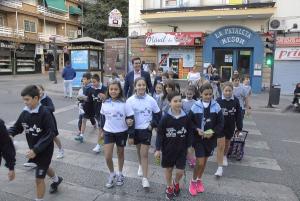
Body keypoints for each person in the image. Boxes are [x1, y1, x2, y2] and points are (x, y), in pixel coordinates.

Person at [8, 85, 63, 201]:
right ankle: (57, 179)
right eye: (23, 99)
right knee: (44, 166)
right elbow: (17, 127)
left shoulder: (45, 113)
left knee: (39, 178)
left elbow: (51, 133)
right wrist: (9, 134)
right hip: (34, 149)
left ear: (36, 98)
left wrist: (35, 150)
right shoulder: (25, 113)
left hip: (45, 149)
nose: (25, 102)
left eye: (27, 99)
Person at [155, 91, 192, 200]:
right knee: (168, 170)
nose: (178, 103)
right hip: (168, 150)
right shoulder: (166, 118)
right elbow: (160, 134)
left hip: (181, 150)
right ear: (169, 102)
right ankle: (169, 186)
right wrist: (158, 149)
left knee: (180, 172)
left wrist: (189, 146)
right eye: (175, 101)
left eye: (180, 101)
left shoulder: (186, 117)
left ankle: (176, 182)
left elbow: (189, 132)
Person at [189, 83, 223, 196]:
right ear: (200, 94)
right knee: (200, 162)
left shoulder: (216, 106)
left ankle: (199, 180)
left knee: (204, 163)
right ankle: (193, 182)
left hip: (210, 139)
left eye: (210, 94)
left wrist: (213, 132)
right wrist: (197, 129)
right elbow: (190, 122)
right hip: (198, 139)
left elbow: (220, 123)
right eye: (206, 94)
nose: (208, 96)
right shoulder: (195, 106)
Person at [126, 77, 161, 188]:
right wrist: (130, 135)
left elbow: (158, 114)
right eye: (139, 85)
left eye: (143, 85)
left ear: (146, 86)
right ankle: (140, 164)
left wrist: (152, 125)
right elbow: (128, 118)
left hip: (147, 129)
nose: (141, 87)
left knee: (144, 153)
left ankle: (145, 179)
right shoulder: (130, 100)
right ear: (135, 86)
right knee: (138, 149)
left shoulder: (151, 99)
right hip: (135, 130)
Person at [100, 81, 135, 188]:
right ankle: (112, 173)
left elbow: (131, 118)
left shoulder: (125, 103)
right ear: (108, 90)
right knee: (107, 156)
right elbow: (102, 117)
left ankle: (120, 173)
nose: (113, 91)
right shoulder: (105, 102)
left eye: (116, 89)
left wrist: (131, 133)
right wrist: (101, 131)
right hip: (108, 132)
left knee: (120, 153)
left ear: (120, 90)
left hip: (121, 132)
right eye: (111, 89)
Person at [215, 82, 242, 177]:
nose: (227, 92)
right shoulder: (218, 100)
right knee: (220, 144)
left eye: (229, 91)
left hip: (230, 126)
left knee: (227, 142)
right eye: (226, 90)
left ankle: (224, 156)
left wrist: (239, 128)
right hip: (220, 127)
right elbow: (214, 114)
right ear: (222, 91)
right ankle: (219, 166)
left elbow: (239, 115)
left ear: (232, 91)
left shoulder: (236, 101)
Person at [38, 85, 64, 159]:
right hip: (40, 122)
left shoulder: (46, 98)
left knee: (54, 136)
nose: (38, 92)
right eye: (37, 90)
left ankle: (61, 150)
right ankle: (37, 157)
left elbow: (52, 108)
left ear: (43, 90)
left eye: (40, 90)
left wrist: (42, 107)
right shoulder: (35, 99)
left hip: (49, 121)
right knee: (39, 137)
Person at [90, 74, 107, 153]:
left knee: (101, 130)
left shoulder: (104, 88)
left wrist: (104, 97)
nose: (93, 84)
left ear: (99, 81)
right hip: (96, 113)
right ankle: (102, 142)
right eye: (92, 82)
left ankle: (98, 145)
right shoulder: (92, 89)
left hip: (104, 113)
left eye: (94, 82)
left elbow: (109, 99)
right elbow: (91, 100)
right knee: (103, 130)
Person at [76, 73, 96, 137]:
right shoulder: (84, 87)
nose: (83, 80)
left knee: (92, 118)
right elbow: (84, 98)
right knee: (83, 120)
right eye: (83, 79)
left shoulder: (92, 88)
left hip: (92, 108)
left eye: (84, 79)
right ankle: (81, 135)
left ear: (89, 80)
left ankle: (95, 125)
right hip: (85, 107)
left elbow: (92, 98)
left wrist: (84, 98)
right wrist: (79, 101)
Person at [182, 86, 197, 168]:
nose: (189, 95)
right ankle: (184, 155)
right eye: (187, 93)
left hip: (192, 125)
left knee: (191, 143)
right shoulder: (182, 101)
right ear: (185, 93)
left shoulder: (196, 102)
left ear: (193, 94)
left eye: (190, 94)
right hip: (183, 124)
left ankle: (191, 158)